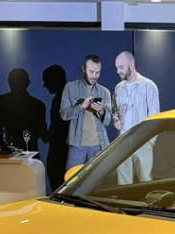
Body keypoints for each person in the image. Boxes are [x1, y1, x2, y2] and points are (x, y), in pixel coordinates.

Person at [112, 51, 160, 185]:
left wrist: (149, 142)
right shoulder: (118, 88)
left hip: (142, 142)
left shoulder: (149, 86)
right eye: (117, 67)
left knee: (145, 181)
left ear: (131, 65)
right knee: (123, 184)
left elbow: (155, 116)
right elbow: (115, 112)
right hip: (123, 141)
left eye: (121, 67)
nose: (118, 71)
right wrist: (116, 121)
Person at [60, 54, 112, 170]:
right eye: (91, 71)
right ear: (83, 69)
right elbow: (64, 114)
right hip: (77, 145)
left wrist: (102, 110)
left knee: (99, 182)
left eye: (98, 72)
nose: (94, 76)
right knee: (71, 181)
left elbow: (108, 121)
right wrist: (81, 106)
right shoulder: (70, 87)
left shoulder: (104, 92)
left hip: (100, 145)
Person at [0, 69, 46, 154]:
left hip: (3, 154)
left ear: (9, 82)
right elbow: (40, 132)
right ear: (28, 83)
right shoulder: (37, 105)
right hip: (27, 154)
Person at [42, 65, 69, 189]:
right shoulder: (70, 96)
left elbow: (58, 129)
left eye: (46, 80)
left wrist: (44, 133)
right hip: (66, 151)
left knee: (58, 186)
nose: (44, 85)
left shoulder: (59, 100)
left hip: (59, 152)